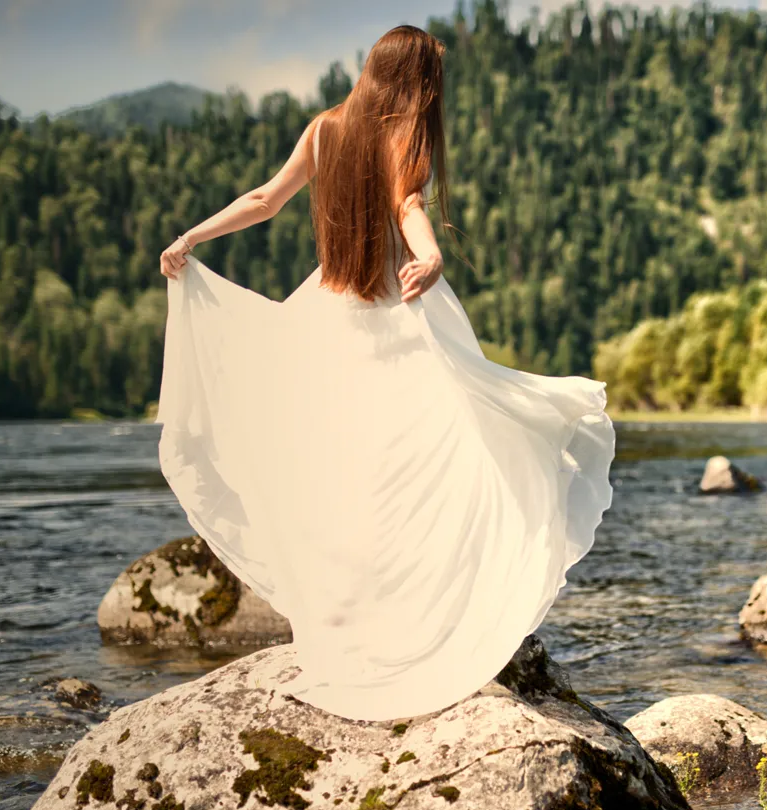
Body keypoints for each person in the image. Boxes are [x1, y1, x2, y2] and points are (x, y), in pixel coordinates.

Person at [153, 25, 615, 722]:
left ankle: (351, 626)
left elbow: (265, 199)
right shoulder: (404, 136)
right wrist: (429, 258)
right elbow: (409, 206)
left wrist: (191, 237)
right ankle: (426, 616)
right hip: (396, 314)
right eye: (432, 79)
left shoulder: (324, 130)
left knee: (344, 472)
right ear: (416, 80)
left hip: (329, 315)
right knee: (441, 457)